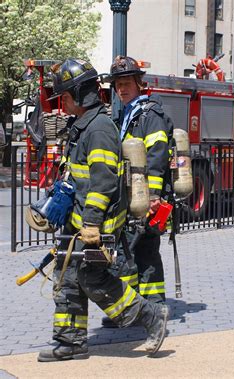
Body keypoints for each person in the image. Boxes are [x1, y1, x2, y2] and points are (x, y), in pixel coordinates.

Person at [37, 58, 168, 362]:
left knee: (93, 279)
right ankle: (70, 341)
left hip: (95, 224)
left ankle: (151, 316)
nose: (63, 102)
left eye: (67, 96)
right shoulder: (82, 126)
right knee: (67, 277)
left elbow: (104, 181)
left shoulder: (98, 129)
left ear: (82, 94)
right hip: (77, 221)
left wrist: (92, 222)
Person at [101, 55, 173, 328]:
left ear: (139, 83)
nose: (122, 88)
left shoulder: (149, 115)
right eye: (118, 84)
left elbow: (157, 157)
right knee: (141, 253)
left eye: (127, 82)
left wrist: (152, 198)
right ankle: (145, 309)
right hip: (133, 198)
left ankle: (142, 310)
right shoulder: (128, 115)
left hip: (145, 200)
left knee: (136, 253)